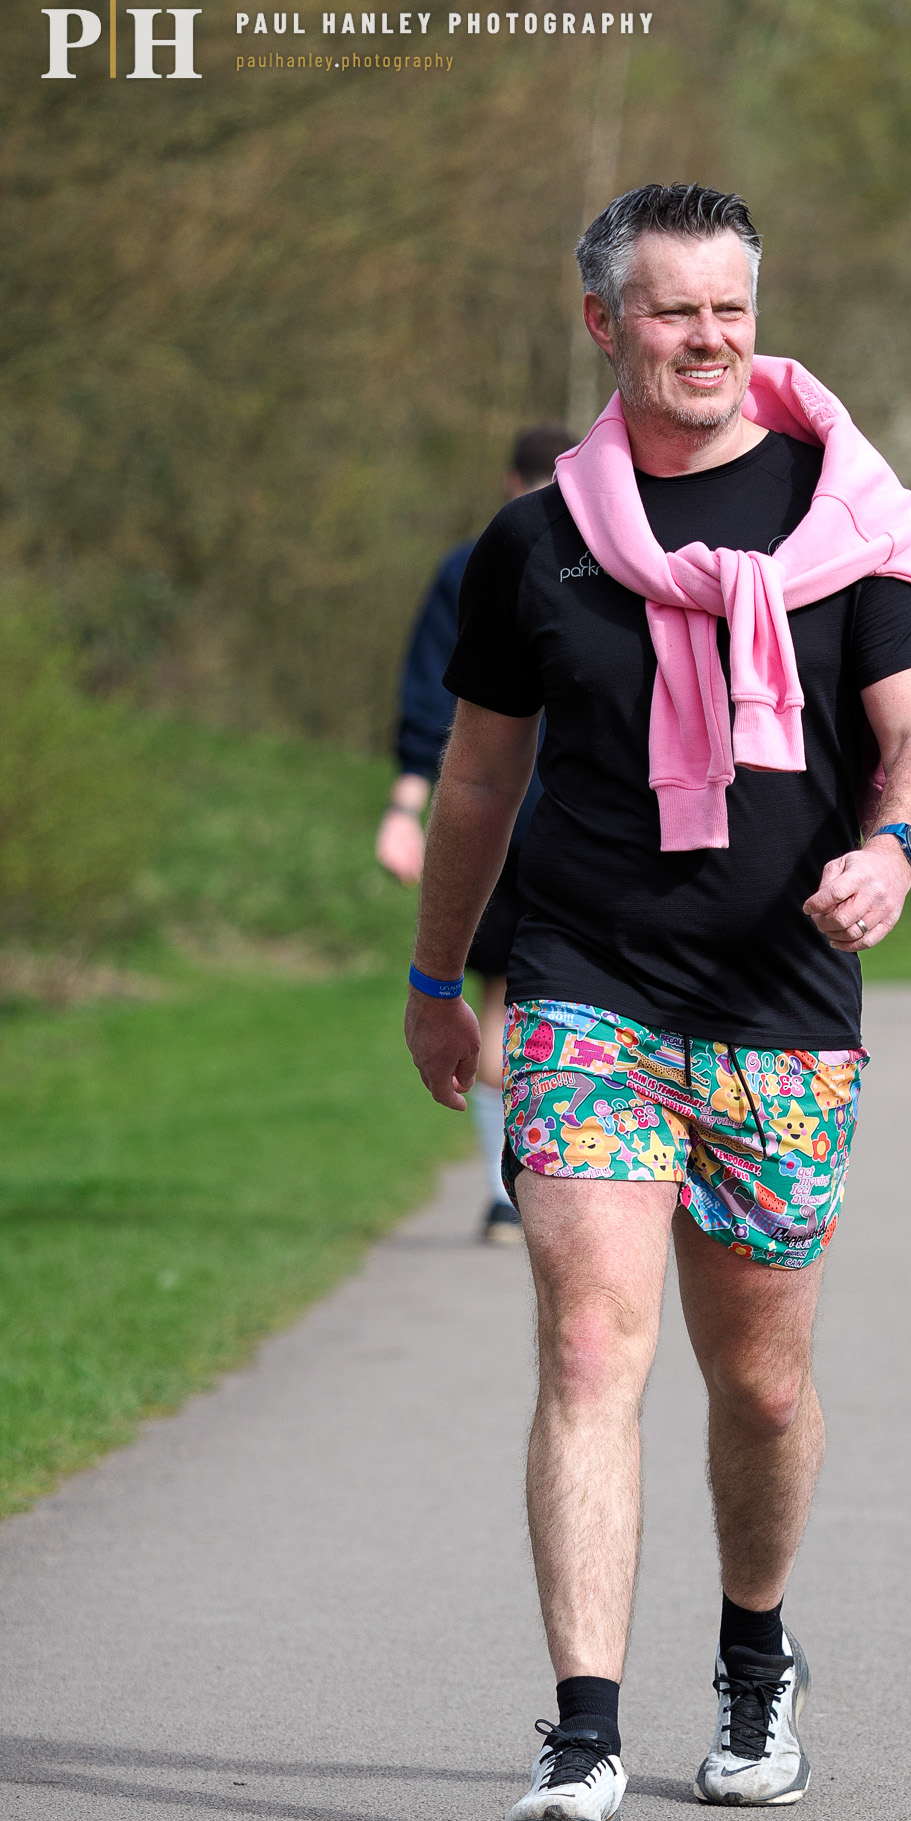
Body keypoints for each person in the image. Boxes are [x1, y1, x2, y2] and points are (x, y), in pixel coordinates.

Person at [403, 183, 911, 1821]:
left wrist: (896, 844)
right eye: (672, 312)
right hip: (588, 989)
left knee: (765, 1385)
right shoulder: (539, 543)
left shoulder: (841, 515)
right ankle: (580, 1736)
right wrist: (441, 981)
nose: (708, 339)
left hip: (782, 1011)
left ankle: (753, 1652)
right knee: (588, 1345)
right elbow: (480, 782)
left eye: (729, 309)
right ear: (607, 327)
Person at [376, 424, 574, 1242]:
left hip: (492, 816)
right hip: (571, 819)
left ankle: (507, 1187)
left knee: (495, 999)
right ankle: (532, 1179)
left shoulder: (469, 566)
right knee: (537, 1000)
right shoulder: (622, 554)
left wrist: (403, 806)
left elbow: (433, 703)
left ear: (508, 479)